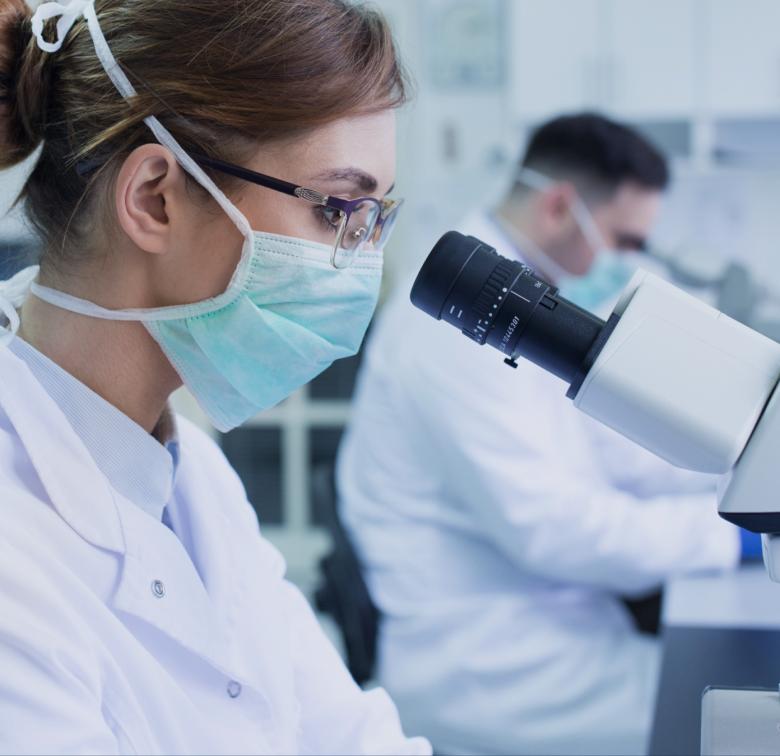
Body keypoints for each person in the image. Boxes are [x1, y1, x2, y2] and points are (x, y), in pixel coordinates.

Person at [0, 0, 430, 753]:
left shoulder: (191, 471)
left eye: (372, 221)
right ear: (154, 198)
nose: (362, 265)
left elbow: (349, 735)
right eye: (336, 211)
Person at [338, 114, 749, 756]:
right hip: (497, 668)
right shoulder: (463, 324)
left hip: (558, 631)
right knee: (733, 717)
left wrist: (742, 468)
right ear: (561, 206)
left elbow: (616, 454)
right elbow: (551, 528)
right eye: (626, 239)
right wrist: (733, 539)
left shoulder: (527, 304)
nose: (631, 261)